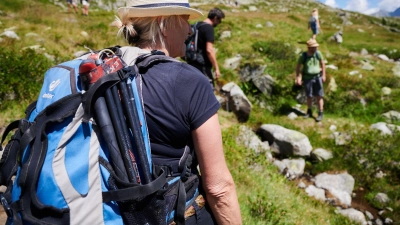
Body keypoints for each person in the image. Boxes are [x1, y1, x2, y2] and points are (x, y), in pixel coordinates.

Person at [113, 0, 242, 224]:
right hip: (171, 212)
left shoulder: (101, 69)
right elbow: (219, 189)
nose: (190, 29)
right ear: (163, 24)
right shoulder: (190, 82)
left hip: (111, 209)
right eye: (185, 20)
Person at [188, 8, 225, 89]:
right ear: (215, 18)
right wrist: (216, 68)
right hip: (202, 64)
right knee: (209, 89)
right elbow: (209, 50)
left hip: (192, 61)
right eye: (220, 20)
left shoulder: (198, 25)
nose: (219, 23)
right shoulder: (208, 28)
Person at [295, 39, 326, 122]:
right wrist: (298, 77)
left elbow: (322, 64)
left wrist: (323, 75)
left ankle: (320, 113)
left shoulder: (318, 54)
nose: (316, 48)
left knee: (319, 95)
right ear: (309, 48)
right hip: (307, 78)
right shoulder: (303, 56)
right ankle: (309, 111)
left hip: (317, 77)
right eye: (314, 47)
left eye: (316, 47)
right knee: (309, 95)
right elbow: (298, 67)